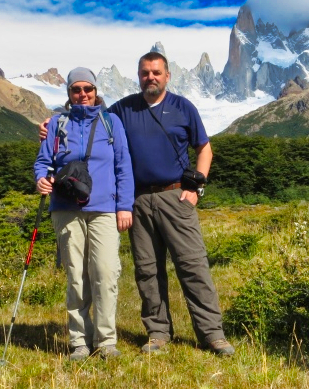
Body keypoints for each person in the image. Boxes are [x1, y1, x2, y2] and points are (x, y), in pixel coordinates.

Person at [39, 52, 234, 356]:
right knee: (147, 270)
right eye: (145, 73)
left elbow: (204, 148)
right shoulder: (123, 109)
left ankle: (212, 334)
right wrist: (50, 124)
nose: (150, 77)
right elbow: (87, 117)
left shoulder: (183, 107)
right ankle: (158, 332)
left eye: (156, 72)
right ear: (139, 76)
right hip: (139, 199)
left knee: (192, 265)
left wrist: (197, 187)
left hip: (175, 195)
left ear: (167, 75)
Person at [34, 67, 134, 361]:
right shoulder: (56, 123)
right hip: (66, 209)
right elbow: (43, 162)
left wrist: (125, 206)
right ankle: (80, 341)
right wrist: (40, 179)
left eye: (87, 89)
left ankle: (106, 341)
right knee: (76, 276)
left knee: (105, 272)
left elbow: (123, 166)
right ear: (69, 93)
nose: (82, 94)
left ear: (95, 91)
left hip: (104, 209)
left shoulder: (111, 122)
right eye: (76, 89)